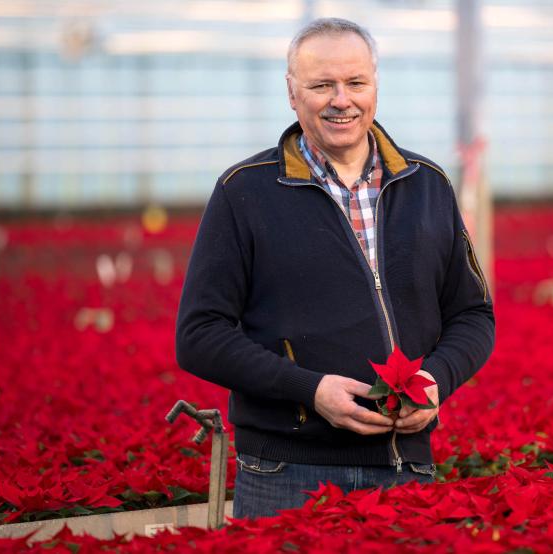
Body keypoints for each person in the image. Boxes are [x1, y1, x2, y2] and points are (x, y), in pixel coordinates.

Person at [175, 17, 495, 519]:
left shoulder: (427, 184)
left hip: (404, 467)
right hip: (286, 475)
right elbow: (199, 334)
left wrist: (436, 380)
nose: (340, 99)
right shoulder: (245, 192)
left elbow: (474, 316)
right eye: (321, 85)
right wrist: (310, 391)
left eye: (355, 83)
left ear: (375, 86)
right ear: (291, 92)